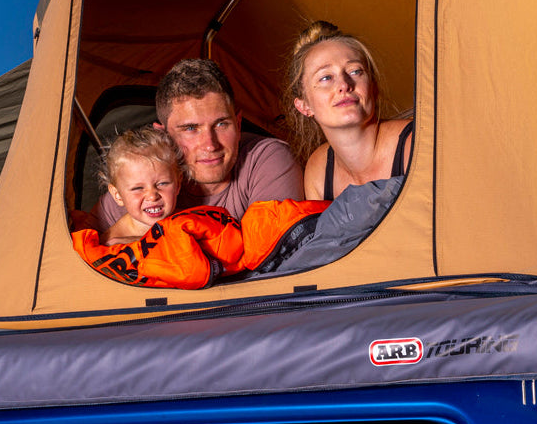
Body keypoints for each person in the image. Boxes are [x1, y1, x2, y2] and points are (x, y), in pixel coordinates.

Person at [73, 125, 322, 289]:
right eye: (137, 189)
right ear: (117, 195)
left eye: (162, 183)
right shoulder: (112, 246)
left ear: (179, 184)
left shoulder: (184, 224)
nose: (152, 195)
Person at [93, 58, 303, 230]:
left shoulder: (267, 160)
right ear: (164, 136)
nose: (210, 145)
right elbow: (84, 238)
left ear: (238, 125)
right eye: (191, 129)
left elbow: (276, 261)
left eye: (221, 124)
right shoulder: (146, 180)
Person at [285, 21, 413, 200]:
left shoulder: (414, 143)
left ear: (373, 88)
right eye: (326, 77)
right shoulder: (319, 170)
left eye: (355, 71)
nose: (344, 85)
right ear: (304, 106)